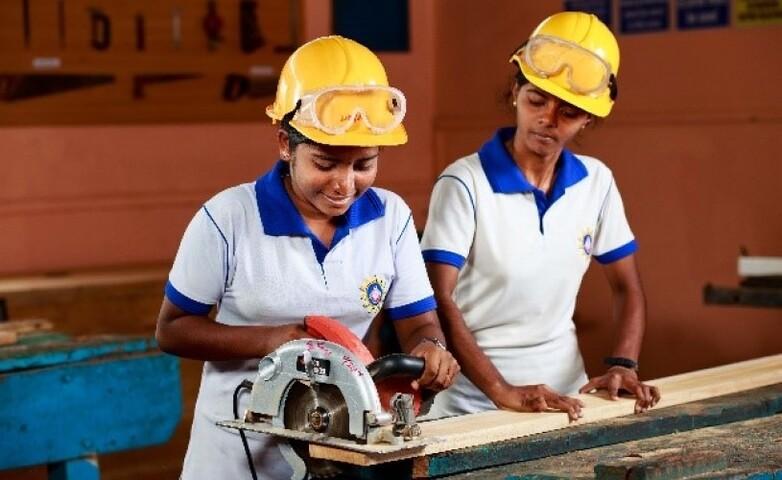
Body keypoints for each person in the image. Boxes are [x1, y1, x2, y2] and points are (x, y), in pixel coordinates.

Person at [156, 35, 459, 480]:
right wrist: (281, 340)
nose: (344, 184)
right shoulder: (229, 218)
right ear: (285, 144)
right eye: (325, 163)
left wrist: (431, 349)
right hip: (236, 457)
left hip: (339, 449)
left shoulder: (390, 217)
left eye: (363, 164)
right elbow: (172, 330)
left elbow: (419, 322)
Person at [420, 12, 660, 422]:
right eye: (536, 99)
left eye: (568, 112)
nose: (548, 120)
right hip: (472, 408)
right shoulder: (464, 183)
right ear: (515, 91)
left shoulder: (596, 182)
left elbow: (627, 286)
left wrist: (625, 363)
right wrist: (502, 392)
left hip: (568, 403)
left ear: (589, 117)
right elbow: (438, 302)